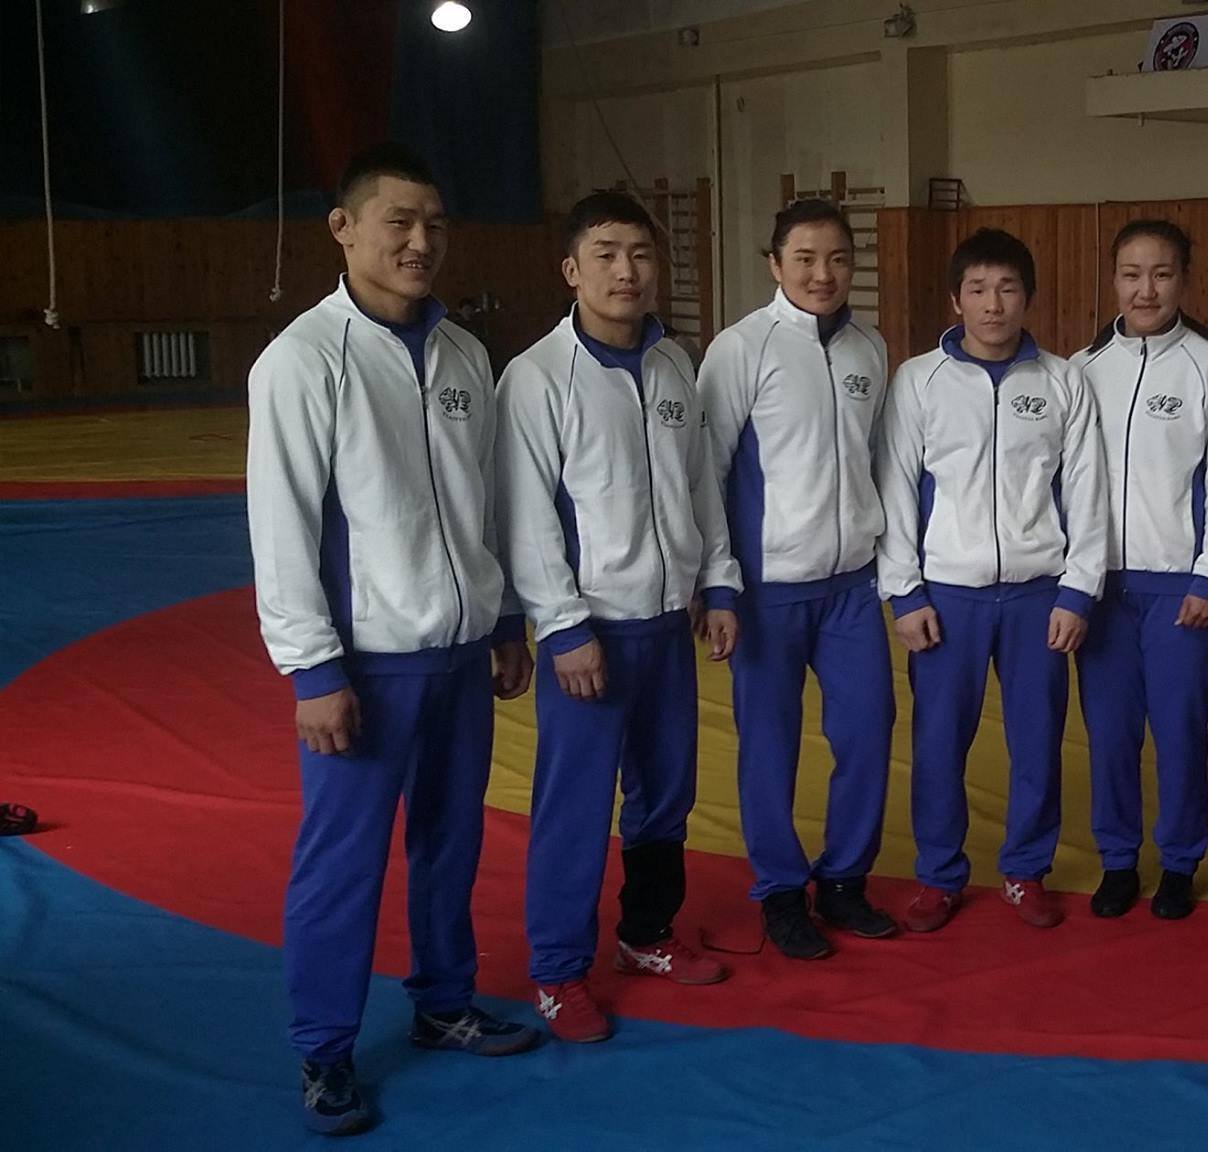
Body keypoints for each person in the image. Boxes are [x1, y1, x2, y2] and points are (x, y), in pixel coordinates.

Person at [246, 142, 540, 1137]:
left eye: (434, 225)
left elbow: (485, 502)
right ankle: (325, 1049)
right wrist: (312, 668)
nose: (420, 242)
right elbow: (282, 525)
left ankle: (443, 1002)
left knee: (451, 844)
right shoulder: (302, 360)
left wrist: (505, 618)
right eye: (398, 222)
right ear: (343, 228)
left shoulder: (464, 355)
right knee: (343, 863)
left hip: (461, 651)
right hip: (366, 664)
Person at [496, 192, 741, 1045]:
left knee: (666, 792)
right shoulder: (536, 378)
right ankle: (559, 968)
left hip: (667, 624)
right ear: (572, 269)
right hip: (590, 636)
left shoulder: (674, 366)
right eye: (605, 254)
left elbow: (700, 488)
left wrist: (718, 584)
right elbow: (523, 513)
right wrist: (562, 626)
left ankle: (646, 933)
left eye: (639, 253)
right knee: (574, 804)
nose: (625, 270)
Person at [875, 227, 1109, 933]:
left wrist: (1079, 589)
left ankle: (1025, 870)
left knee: (1037, 742)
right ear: (956, 299)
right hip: (948, 594)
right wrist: (904, 592)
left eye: (1007, 289)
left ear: (1028, 297)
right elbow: (895, 489)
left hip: (1039, 594)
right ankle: (939, 874)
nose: (993, 304)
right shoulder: (918, 381)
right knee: (939, 743)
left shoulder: (1063, 381)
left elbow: (1088, 491)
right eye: (977, 289)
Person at [698, 199, 899, 960]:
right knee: (770, 746)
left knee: (869, 729)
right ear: (775, 264)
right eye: (806, 259)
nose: (823, 274)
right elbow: (707, 473)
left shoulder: (869, 348)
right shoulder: (740, 349)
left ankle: (844, 878)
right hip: (767, 589)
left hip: (851, 586)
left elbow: (876, 460)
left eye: (838, 259)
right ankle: (781, 890)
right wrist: (720, 584)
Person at [1072, 219, 1208, 920]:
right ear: (1113, 279)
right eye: (1131, 274)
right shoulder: (1082, 371)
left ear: (1184, 280)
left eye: (1162, 274)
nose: (1145, 290)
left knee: (1180, 729)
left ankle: (1179, 860)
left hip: (1180, 588)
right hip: (1100, 589)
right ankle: (1118, 859)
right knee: (1110, 733)